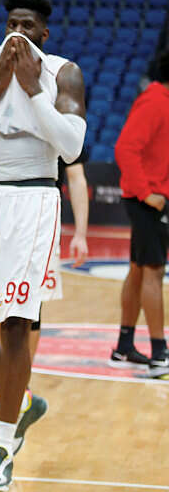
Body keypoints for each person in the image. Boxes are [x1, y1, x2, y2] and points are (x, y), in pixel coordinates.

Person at [0, 0, 86, 492]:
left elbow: (71, 147)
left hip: (35, 199)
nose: (17, 33)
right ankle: (21, 399)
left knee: (14, 326)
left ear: (43, 34)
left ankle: (2, 448)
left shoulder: (63, 73)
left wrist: (32, 91)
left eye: (27, 26)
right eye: (11, 23)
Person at [0, 139, 91, 412]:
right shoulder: (0, 119)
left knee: (29, 310)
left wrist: (80, 233)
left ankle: (21, 383)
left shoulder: (59, 121)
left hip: (39, 223)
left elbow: (76, 177)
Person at [111, 49, 169, 378]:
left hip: (154, 197)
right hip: (147, 201)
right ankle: (160, 354)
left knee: (137, 271)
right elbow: (124, 148)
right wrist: (147, 194)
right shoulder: (155, 101)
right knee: (153, 272)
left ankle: (124, 346)